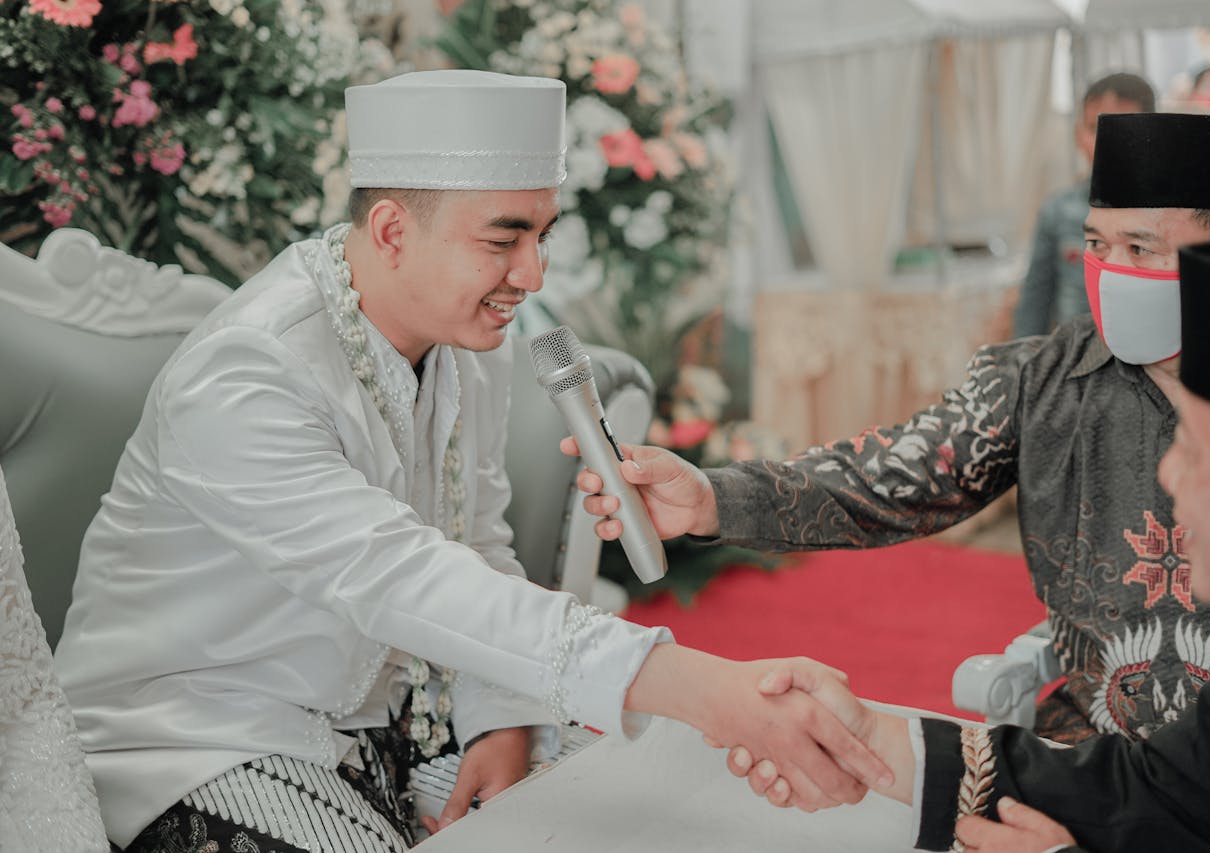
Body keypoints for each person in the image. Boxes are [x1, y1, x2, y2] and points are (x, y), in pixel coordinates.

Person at [52, 70, 887, 853]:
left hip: (391, 724)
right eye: (504, 238)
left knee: (650, 820)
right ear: (390, 231)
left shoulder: (471, 341)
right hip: (201, 734)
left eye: (543, 233)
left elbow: (474, 539)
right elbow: (402, 574)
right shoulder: (248, 370)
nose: (532, 273)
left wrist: (502, 713)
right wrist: (713, 692)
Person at [571, 112, 1210, 745]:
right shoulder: (1041, 379)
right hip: (1089, 745)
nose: (1111, 271)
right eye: (1097, 244)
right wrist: (711, 496)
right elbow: (888, 474)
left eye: (1141, 249)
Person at [736, 234, 1210, 853]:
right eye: (1100, 241)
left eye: (1198, 451)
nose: (1168, 474)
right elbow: (1173, 787)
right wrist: (870, 737)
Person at [1012, 72, 1155, 338]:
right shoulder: (1058, 211)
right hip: (1076, 363)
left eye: (1123, 127)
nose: (1106, 140)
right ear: (1079, 135)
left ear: (1153, 134)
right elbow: (1035, 302)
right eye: (1094, 128)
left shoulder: (1167, 214)